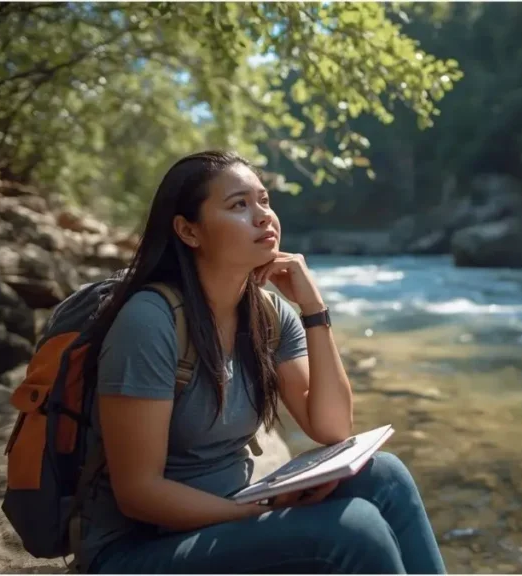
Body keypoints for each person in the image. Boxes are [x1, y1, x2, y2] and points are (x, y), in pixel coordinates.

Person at [77, 150, 446, 574]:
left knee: (386, 475)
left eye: (265, 201)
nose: (263, 216)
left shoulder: (268, 314)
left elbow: (331, 428)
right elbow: (139, 493)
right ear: (188, 230)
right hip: (138, 549)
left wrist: (314, 308)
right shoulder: (150, 321)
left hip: (230, 514)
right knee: (353, 531)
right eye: (239, 205)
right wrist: (258, 516)